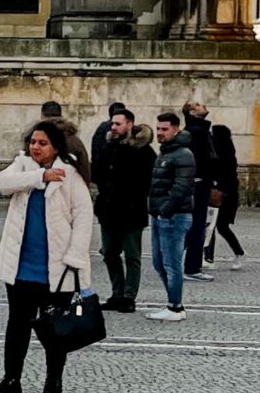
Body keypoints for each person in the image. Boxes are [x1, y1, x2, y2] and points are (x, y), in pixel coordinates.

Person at [0, 119, 96, 393]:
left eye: (42, 143)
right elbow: (2, 183)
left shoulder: (70, 175)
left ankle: (54, 381)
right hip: (21, 265)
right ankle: (11, 378)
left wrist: (76, 256)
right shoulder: (23, 165)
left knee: (57, 328)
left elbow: (84, 218)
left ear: (55, 147)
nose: (35, 147)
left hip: (57, 267)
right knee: (17, 325)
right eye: (33, 142)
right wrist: (40, 178)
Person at [90, 110, 153, 312]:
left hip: (131, 211)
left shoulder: (144, 151)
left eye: (118, 124)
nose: (113, 127)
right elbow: (97, 173)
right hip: (108, 210)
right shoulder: (108, 146)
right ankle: (117, 293)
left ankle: (128, 296)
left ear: (129, 124)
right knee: (109, 253)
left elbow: (146, 182)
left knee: (132, 256)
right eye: (112, 124)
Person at [145, 111, 197, 321]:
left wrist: (166, 210)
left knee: (172, 263)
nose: (160, 133)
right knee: (159, 262)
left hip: (174, 216)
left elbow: (181, 187)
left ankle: (175, 306)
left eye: (164, 129)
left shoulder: (183, 154)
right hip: (161, 215)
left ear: (176, 130)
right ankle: (174, 303)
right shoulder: (165, 153)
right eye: (158, 129)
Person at [207, 118, 245, 267]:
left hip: (224, 195)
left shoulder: (225, 156)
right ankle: (209, 257)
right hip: (220, 194)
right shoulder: (224, 154)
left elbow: (225, 177)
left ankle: (238, 253)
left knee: (219, 226)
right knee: (213, 226)